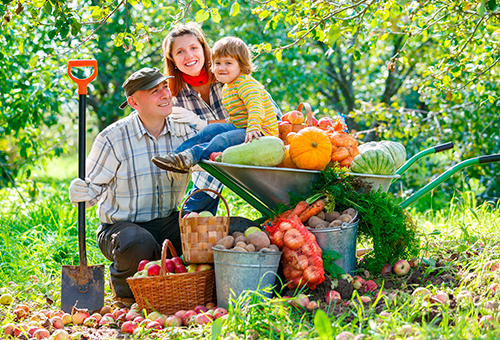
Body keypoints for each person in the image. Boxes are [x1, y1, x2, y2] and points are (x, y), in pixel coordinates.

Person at [68, 67, 193, 307]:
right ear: (133, 102)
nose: (165, 94)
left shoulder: (183, 131)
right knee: (138, 243)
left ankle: (172, 279)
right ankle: (126, 294)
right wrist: (79, 191)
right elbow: (91, 190)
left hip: (167, 220)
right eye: (154, 91)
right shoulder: (114, 138)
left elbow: (207, 163)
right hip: (122, 229)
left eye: (165, 87)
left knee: (200, 234)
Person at [152, 36, 279, 173]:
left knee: (222, 139)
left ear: (242, 65)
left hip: (260, 134)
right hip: (241, 127)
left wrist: (254, 127)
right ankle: (176, 156)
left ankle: (189, 158)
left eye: (228, 63)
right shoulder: (228, 87)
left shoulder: (246, 84)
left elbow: (256, 107)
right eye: (217, 63)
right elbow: (237, 116)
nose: (221, 68)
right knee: (209, 130)